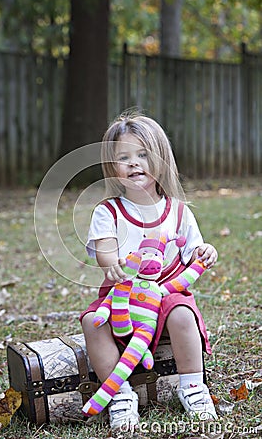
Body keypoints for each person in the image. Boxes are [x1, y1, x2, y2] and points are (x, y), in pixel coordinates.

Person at [80, 112, 218, 432]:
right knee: (91, 321)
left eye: (143, 154)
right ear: (113, 167)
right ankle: (120, 396)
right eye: (124, 158)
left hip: (166, 293)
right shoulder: (108, 211)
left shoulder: (179, 211)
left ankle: (193, 388)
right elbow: (105, 250)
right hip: (124, 296)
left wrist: (205, 252)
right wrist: (112, 262)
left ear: (160, 159)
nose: (134, 163)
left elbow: (193, 252)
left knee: (183, 314)